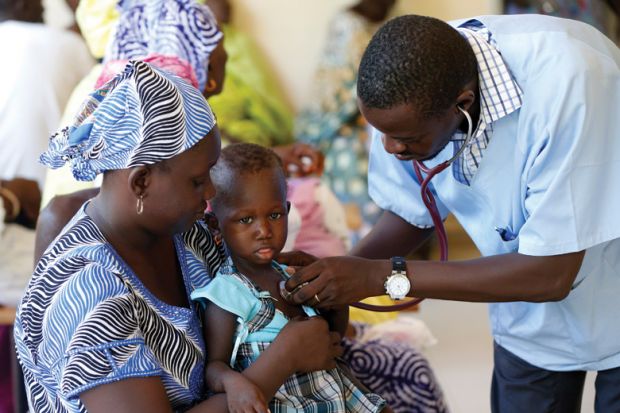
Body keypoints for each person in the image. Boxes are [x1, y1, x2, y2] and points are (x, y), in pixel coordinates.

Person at [283, 14, 620, 412]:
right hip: (524, 316)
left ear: (463, 104)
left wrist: (379, 276)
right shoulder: (403, 85)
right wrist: (333, 276)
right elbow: (412, 210)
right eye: (381, 133)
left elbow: (551, 273)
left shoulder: (571, 83)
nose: (391, 149)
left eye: (405, 139)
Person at [14, 60, 341, 413]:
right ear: (141, 182)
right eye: (198, 181)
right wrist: (283, 360)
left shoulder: (188, 234)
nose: (212, 191)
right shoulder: (89, 295)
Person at [190, 143, 389, 413]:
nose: (263, 230)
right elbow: (215, 366)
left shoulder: (292, 275)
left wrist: (338, 303)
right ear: (216, 225)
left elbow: (333, 337)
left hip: (338, 399)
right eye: (245, 220)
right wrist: (233, 383)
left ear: (287, 211)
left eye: (274, 215)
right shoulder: (228, 293)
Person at [295, 0, 395, 242]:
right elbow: (347, 88)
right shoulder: (348, 24)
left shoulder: (390, 23)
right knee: (358, 163)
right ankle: (363, 252)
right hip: (335, 125)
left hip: (372, 115)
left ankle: (394, 245)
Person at [0, 0, 94, 190]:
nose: (44, 7)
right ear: (21, 4)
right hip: (55, 196)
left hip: (7, 196)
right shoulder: (68, 44)